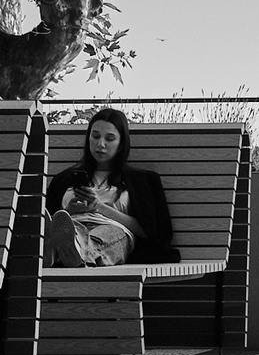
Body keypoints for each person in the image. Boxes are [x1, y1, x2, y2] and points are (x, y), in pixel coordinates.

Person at [44, 106, 175, 269]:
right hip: (73, 226)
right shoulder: (64, 179)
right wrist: (68, 211)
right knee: (72, 231)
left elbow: (152, 233)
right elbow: (46, 220)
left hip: (113, 232)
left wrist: (99, 207)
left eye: (110, 138)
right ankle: (67, 250)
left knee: (107, 234)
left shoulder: (141, 181)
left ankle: (74, 252)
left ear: (121, 144)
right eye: (95, 136)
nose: (101, 144)